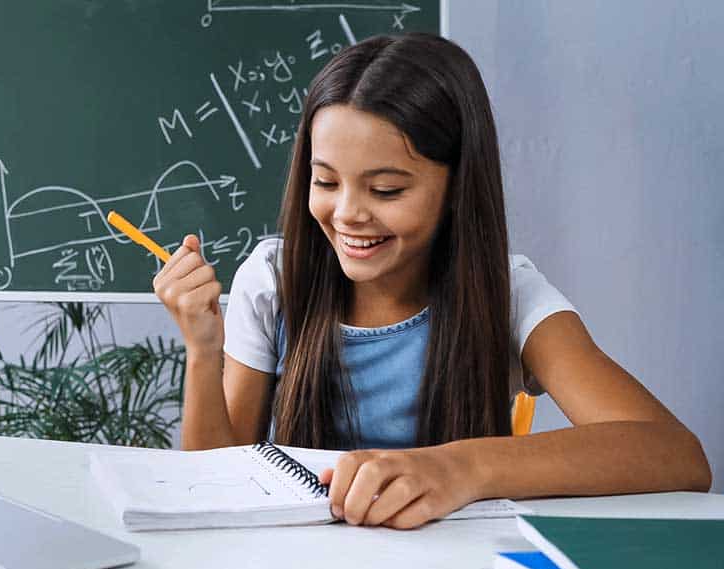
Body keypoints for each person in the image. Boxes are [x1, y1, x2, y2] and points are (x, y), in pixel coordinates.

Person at [153, 33, 711, 529]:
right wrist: (204, 352)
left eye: (387, 190)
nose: (347, 214)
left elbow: (676, 455)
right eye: (325, 181)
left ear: (457, 189)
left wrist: (458, 467)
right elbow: (216, 484)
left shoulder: (509, 296)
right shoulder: (275, 280)